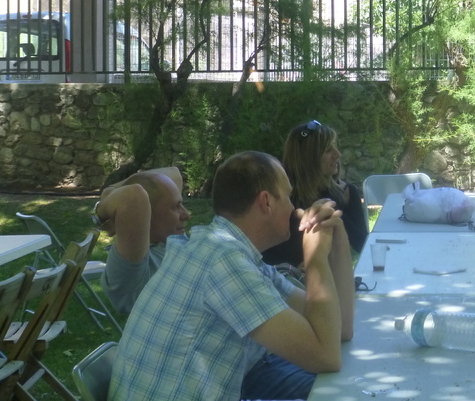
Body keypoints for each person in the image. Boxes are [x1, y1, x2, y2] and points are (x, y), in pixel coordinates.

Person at [109, 151, 356, 401]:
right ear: (266, 202)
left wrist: (338, 240)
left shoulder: (229, 251)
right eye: (288, 196)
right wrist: (315, 260)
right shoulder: (223, 260)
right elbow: (326, 356)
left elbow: (341, 330)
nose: (294, 208)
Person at [264, 119, 368, 265]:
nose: (337, 154)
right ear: (308, 158)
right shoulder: (283, 198)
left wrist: (332, 212)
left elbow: (363, 244)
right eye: (328, 150)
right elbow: (265, 250)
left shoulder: (345, 192)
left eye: (335, 147)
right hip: (284, 276)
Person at [94, 167, 190, 316]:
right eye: (175, 207)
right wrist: (99, 213)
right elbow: (132, 196)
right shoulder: (134, 267)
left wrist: (109, 191)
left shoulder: (169, 237)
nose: (186, 215)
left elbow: (174, 173)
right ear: (148, 213)